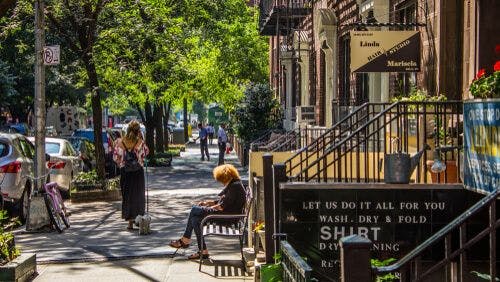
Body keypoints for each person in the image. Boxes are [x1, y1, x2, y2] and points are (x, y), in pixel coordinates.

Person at [169, 164, 247, 259]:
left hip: (227, 218)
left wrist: (210, 208)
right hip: (226, 214)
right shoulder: (235, 184)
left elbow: (221, 207)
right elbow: (225, 202)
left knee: (194, 209)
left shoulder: (235, 187)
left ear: (225, 177)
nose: (222, 183)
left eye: (221, 180)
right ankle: (203, 251)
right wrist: (208, 203)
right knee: (195, 220)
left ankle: (185, 240)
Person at [113, 120, 149, 230]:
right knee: (138, 196)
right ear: (138, 131)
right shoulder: (140, 142)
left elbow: (115, 157)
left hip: (125, 172)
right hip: (137, 172)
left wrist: (122, 163)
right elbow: (146, 152)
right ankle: (139, 219)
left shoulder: (120, 142)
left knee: (127, 196)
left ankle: (129, 222)